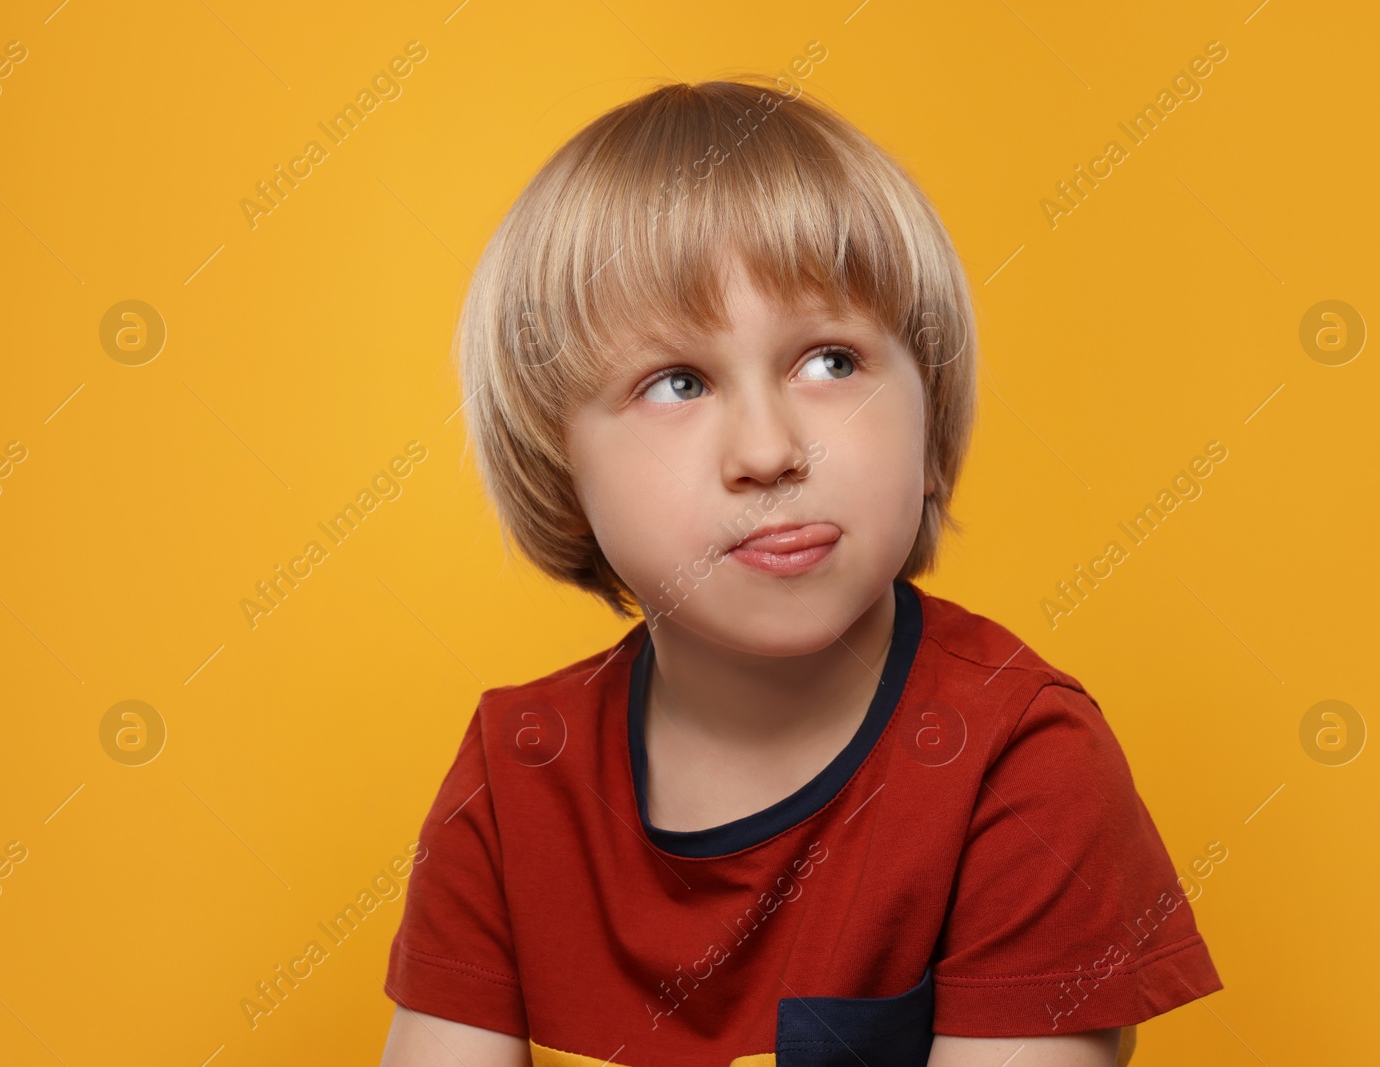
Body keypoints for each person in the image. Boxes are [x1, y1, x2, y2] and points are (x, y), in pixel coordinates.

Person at [377, 75, 1222, 1067]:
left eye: (829, 361)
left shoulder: (1022, 759)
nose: (770, 449)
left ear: (928, 405)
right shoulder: (513, 772)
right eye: (676, 382)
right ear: (559, 468)